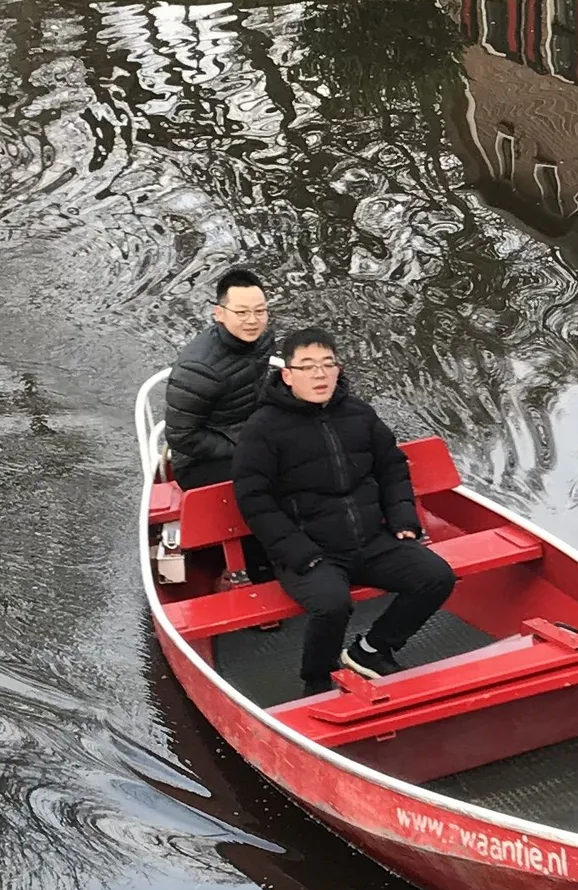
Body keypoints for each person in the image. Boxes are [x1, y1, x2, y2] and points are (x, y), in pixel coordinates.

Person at [228, 329, 458, 687]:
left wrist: (402, 519)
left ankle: (371, 650)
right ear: (287, 375)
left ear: (338, 369)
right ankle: (318, 679)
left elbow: (392, 467)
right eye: (307, 366)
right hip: (311, 551)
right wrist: (300, 553)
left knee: (436, 576)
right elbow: (255, 499)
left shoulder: (359, 414)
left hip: (372, 540)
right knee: (332, 604)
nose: (319, 375)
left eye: (327, 364)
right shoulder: (262, 429)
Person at [163, 266, 275, 580]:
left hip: (246, 432)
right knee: (266, 480)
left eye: (260, 311)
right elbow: (181, 438)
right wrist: (243, 448)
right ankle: (255, 565)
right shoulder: (198, 369)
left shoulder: (263, 339)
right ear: (219, 313)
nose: (252, 320)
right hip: (200, 461)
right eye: (242, 312)